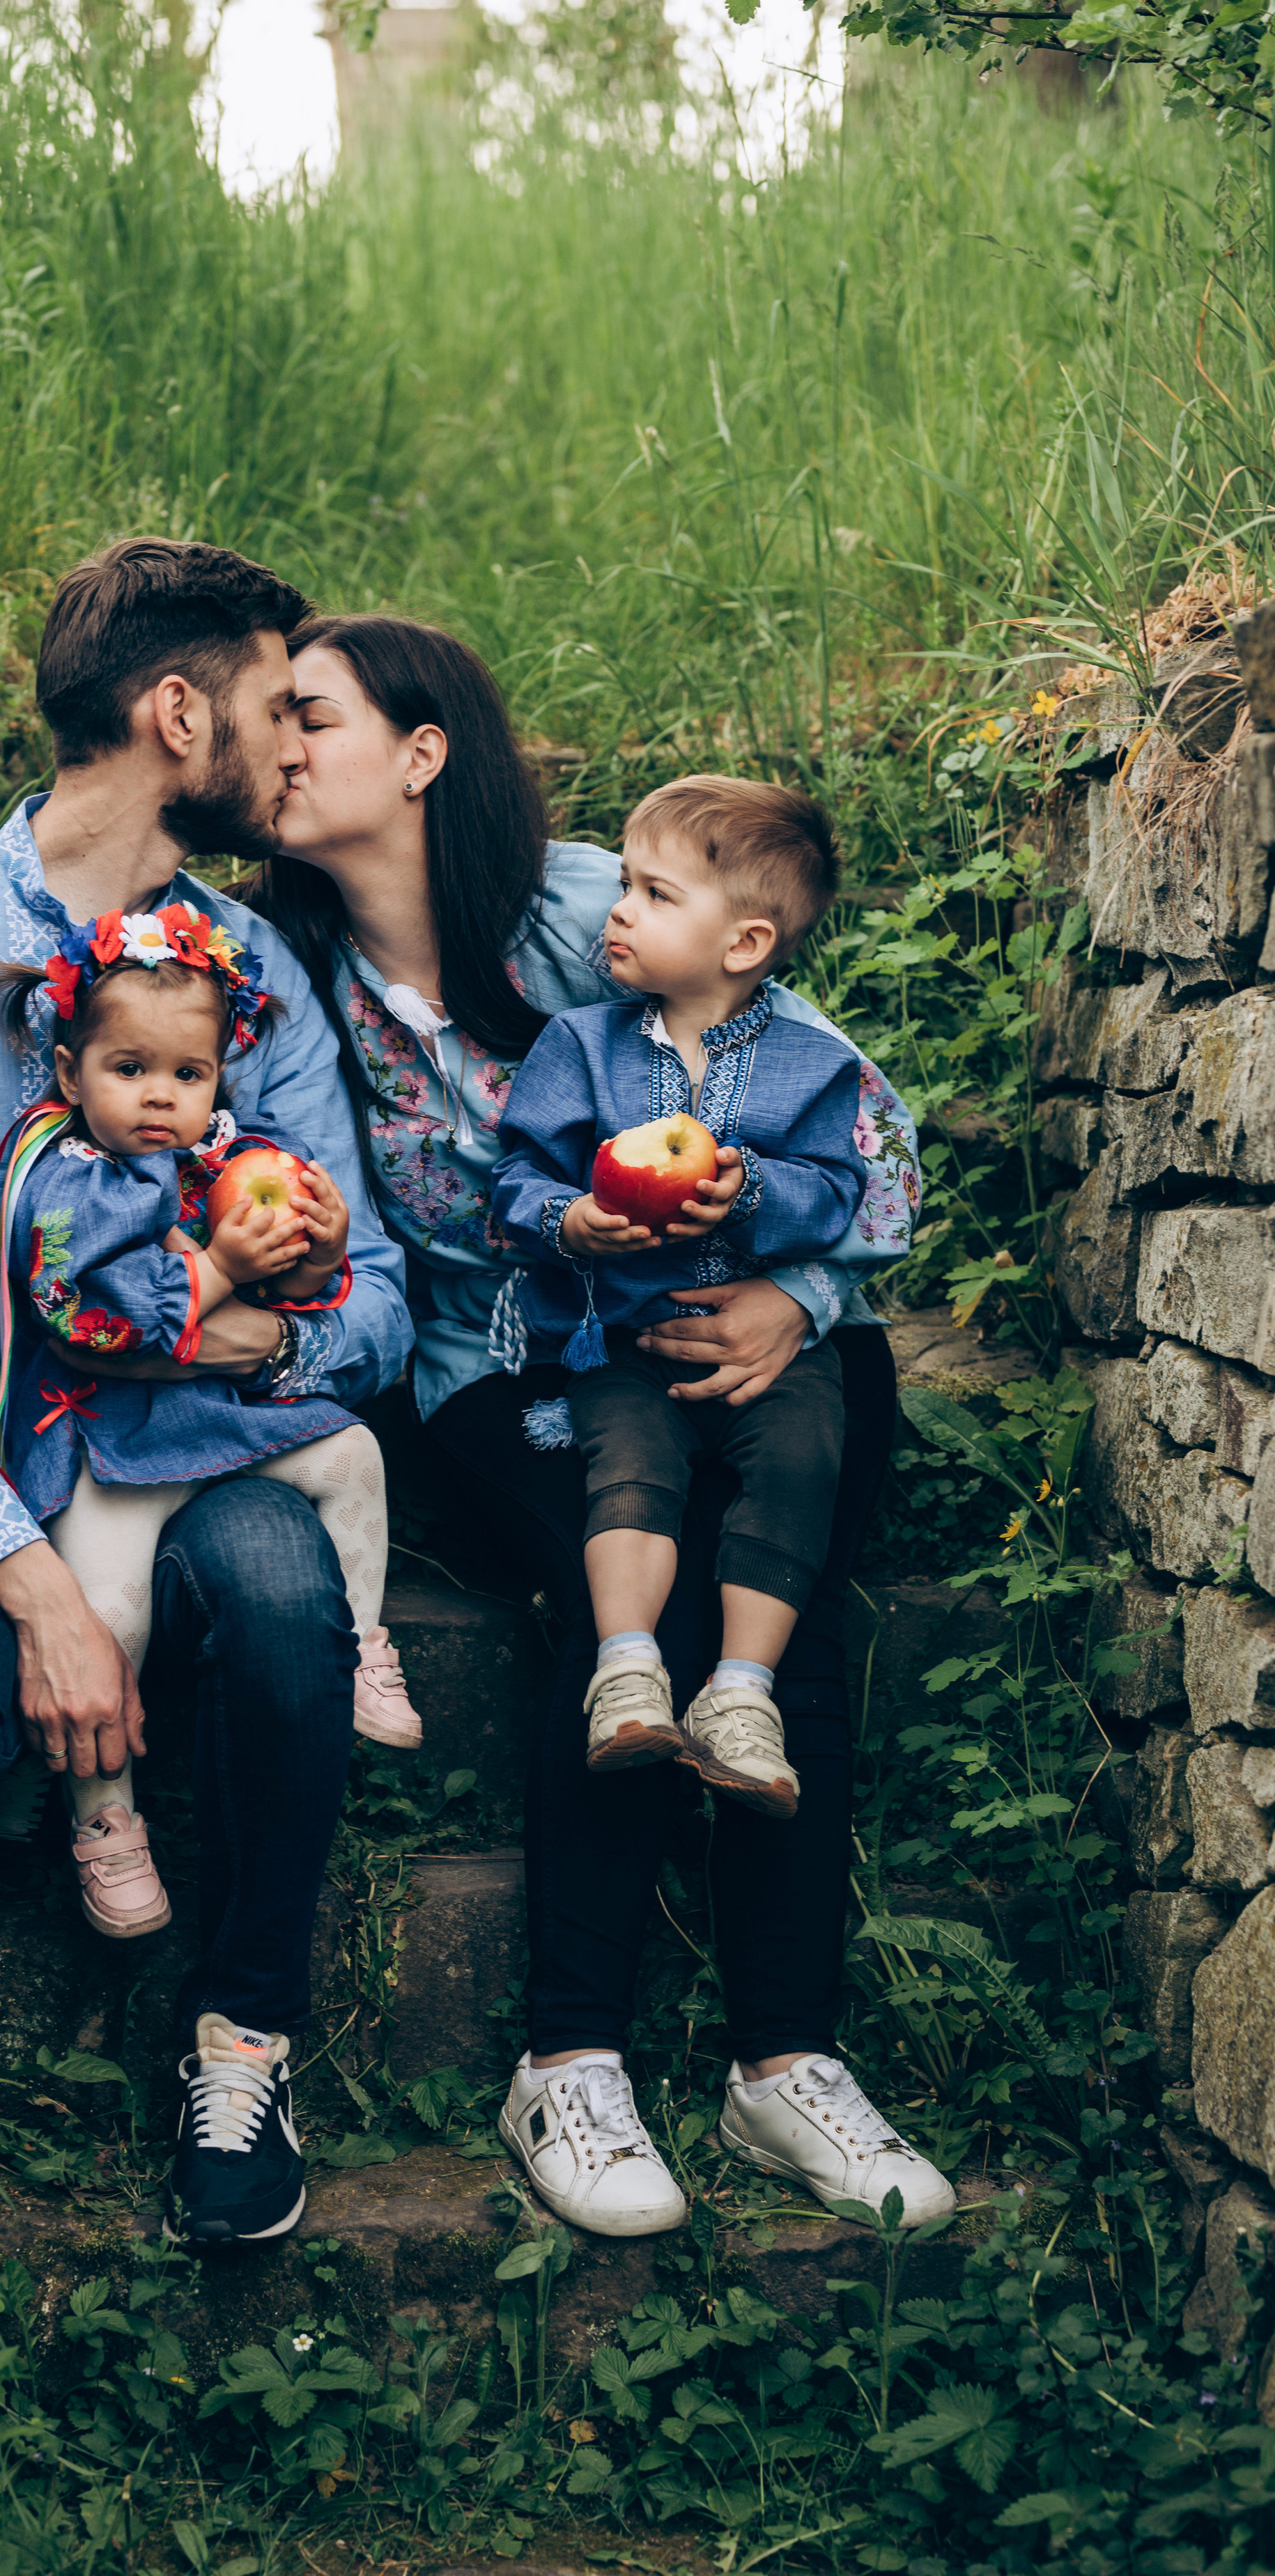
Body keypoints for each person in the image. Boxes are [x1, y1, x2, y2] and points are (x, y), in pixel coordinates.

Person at [254, 612, 957, 2240]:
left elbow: (837, 1112)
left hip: (750, 1321)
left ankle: (785, 2064)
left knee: (763, 1594)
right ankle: (570, 2057)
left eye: (310, 715)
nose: (275, 745)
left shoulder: (598, 906)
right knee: (618, 1585)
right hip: (501, 1352)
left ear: (421, 755)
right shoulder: (282, 975)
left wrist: (801, 1292)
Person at [0, 539, 415, 2247]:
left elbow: (377, 1312)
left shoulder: (252, 967)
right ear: (172, 710)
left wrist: (270, 1339)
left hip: (188, 1456)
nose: (296, 751)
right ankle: (62, 1722)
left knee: (285, 1600)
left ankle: (245, 2035)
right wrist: (31, 1579)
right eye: (279, 712)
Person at [0, 899, 422, 1942]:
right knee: (106, 1613)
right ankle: (103, 1815)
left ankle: (359, 1644)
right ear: (70, 1070)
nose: (161, 1099)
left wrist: (314, 1248)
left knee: (353, 1451)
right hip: (106, 1439)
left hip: (211, 1421)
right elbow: (92, 1319)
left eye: (189, 1073)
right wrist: (219, 1268)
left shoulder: (227, 1158)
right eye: (129, 1070)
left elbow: (306, 1303)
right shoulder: (66, 1178)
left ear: (221, 1075)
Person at [490, 777, 865, 1812]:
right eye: (623, 883)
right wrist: (570, 1220)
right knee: (626, 1456)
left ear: (744, 945)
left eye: (654, 894)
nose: (618, 910)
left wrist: (754, 1193)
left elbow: (840, 1191)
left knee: (803, 1454)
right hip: (621, 1334)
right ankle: (627, 1670)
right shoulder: (581, 1047)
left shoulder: (812, 1065)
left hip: (765, 1345)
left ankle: (743, 1696)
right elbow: (515, 1180)